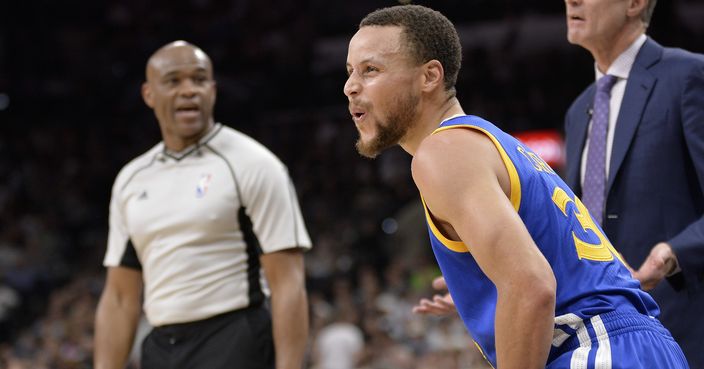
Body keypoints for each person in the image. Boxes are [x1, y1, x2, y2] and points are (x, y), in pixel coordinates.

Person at [344, 5, 688, 369]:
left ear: (430, 76)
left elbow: (531, 286)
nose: (350, 87)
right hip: (640, 345)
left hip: (595, 348)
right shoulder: (496, 144)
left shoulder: (441, 152)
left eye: (371, 70)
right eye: (350, 72)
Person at [94, 41, 312, 369]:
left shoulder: (254, 164)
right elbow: (120, 298)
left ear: (213, 89)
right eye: (173, 81)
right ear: (148, 94)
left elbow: (288, 284)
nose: (188, 91)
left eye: (199, 80)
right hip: (160, 347)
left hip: (235, 339)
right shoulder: (131, 179)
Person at [562, 0, 704, 367]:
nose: (570, 1)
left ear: (635, 3)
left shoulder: (688, 76)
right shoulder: (578, 111)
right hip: (606, 339)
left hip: (683, 329)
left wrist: (672, 253)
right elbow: (574, 225)